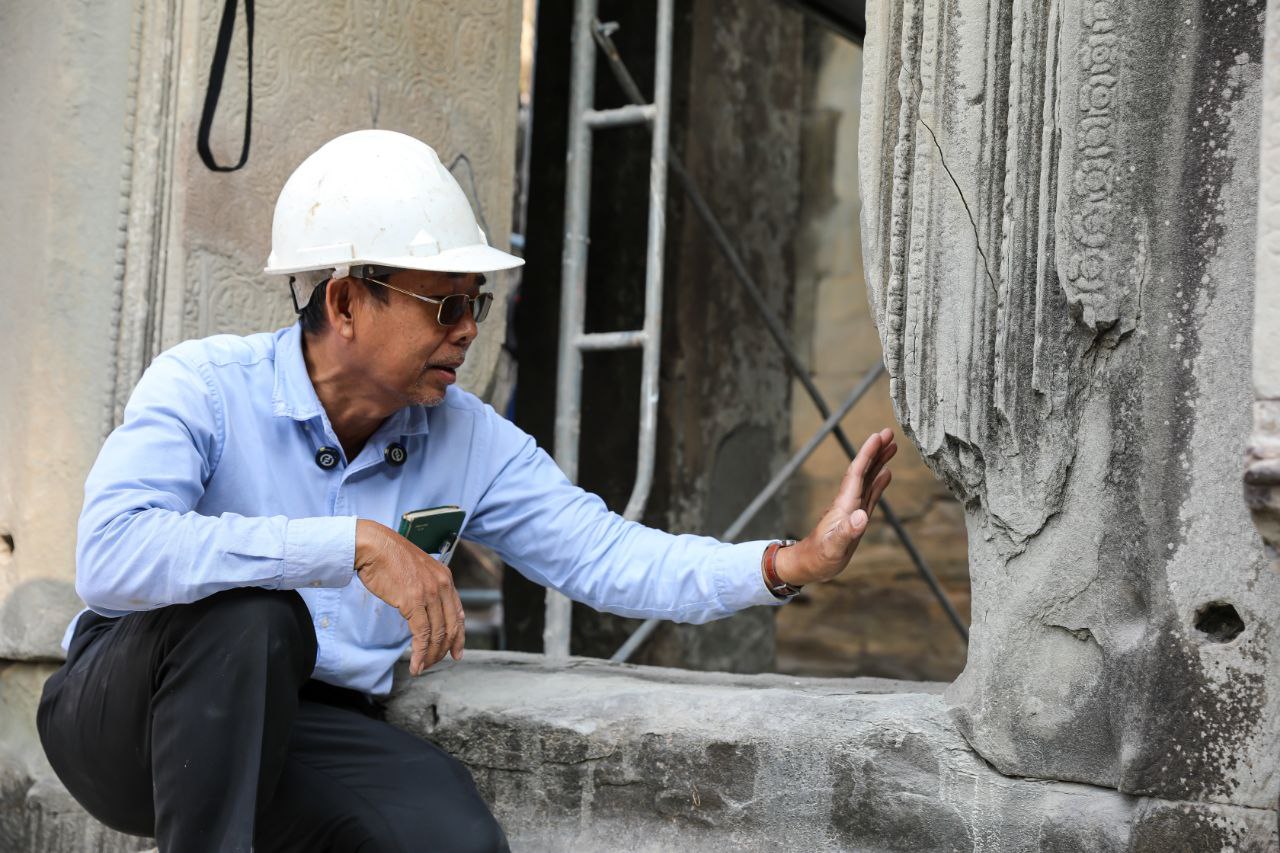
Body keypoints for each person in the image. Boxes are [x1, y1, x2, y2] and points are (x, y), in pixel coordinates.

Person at [36, 130, 896, 852]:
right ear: (346, 302)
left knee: (451, 835)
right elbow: (111, 555)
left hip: (302, 721)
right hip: (129, 715)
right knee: (253, 615)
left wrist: (787, 563)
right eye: (443, 305)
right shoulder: (204, 386)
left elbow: (604, 553)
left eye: (476, 303)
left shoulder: (468, 436)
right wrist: (351, 544)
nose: (468, 330)